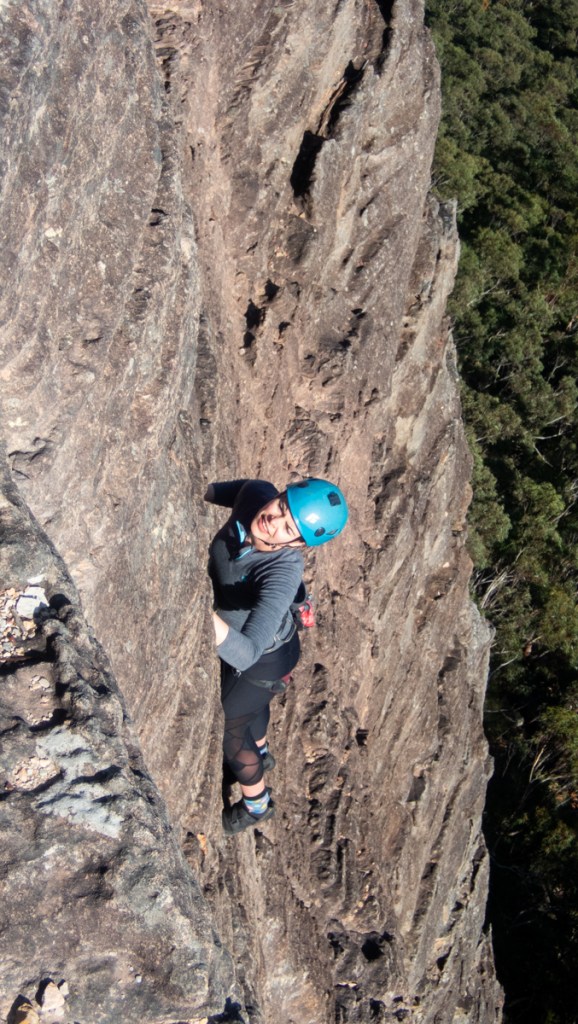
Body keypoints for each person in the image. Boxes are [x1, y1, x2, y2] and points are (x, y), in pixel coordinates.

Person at [205, 477, 348, 835]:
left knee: (231, 730)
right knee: (251, 709)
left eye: (288, 528)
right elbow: (210, 490)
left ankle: (256, 805)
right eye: (281, 507)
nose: (273, 521)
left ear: (298, 543)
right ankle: (263, 753)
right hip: (274, 648)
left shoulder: (282, 571)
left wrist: (198, 614)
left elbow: (247, 654)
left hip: (263, 660)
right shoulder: (256, 493)